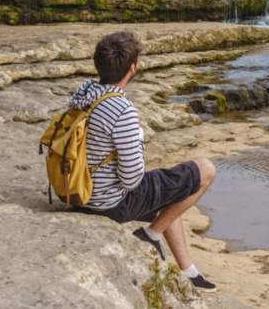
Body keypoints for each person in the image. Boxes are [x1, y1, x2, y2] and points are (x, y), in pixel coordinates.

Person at [71, 31, 217, 292]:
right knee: (205, 170)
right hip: (107, 203)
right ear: (132, 68)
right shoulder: (122, 110)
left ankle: (189, 271)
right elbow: (132, 180)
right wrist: (137, 131)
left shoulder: (83, 91)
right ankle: (150, 234)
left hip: (75, 191)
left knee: (170, 192)